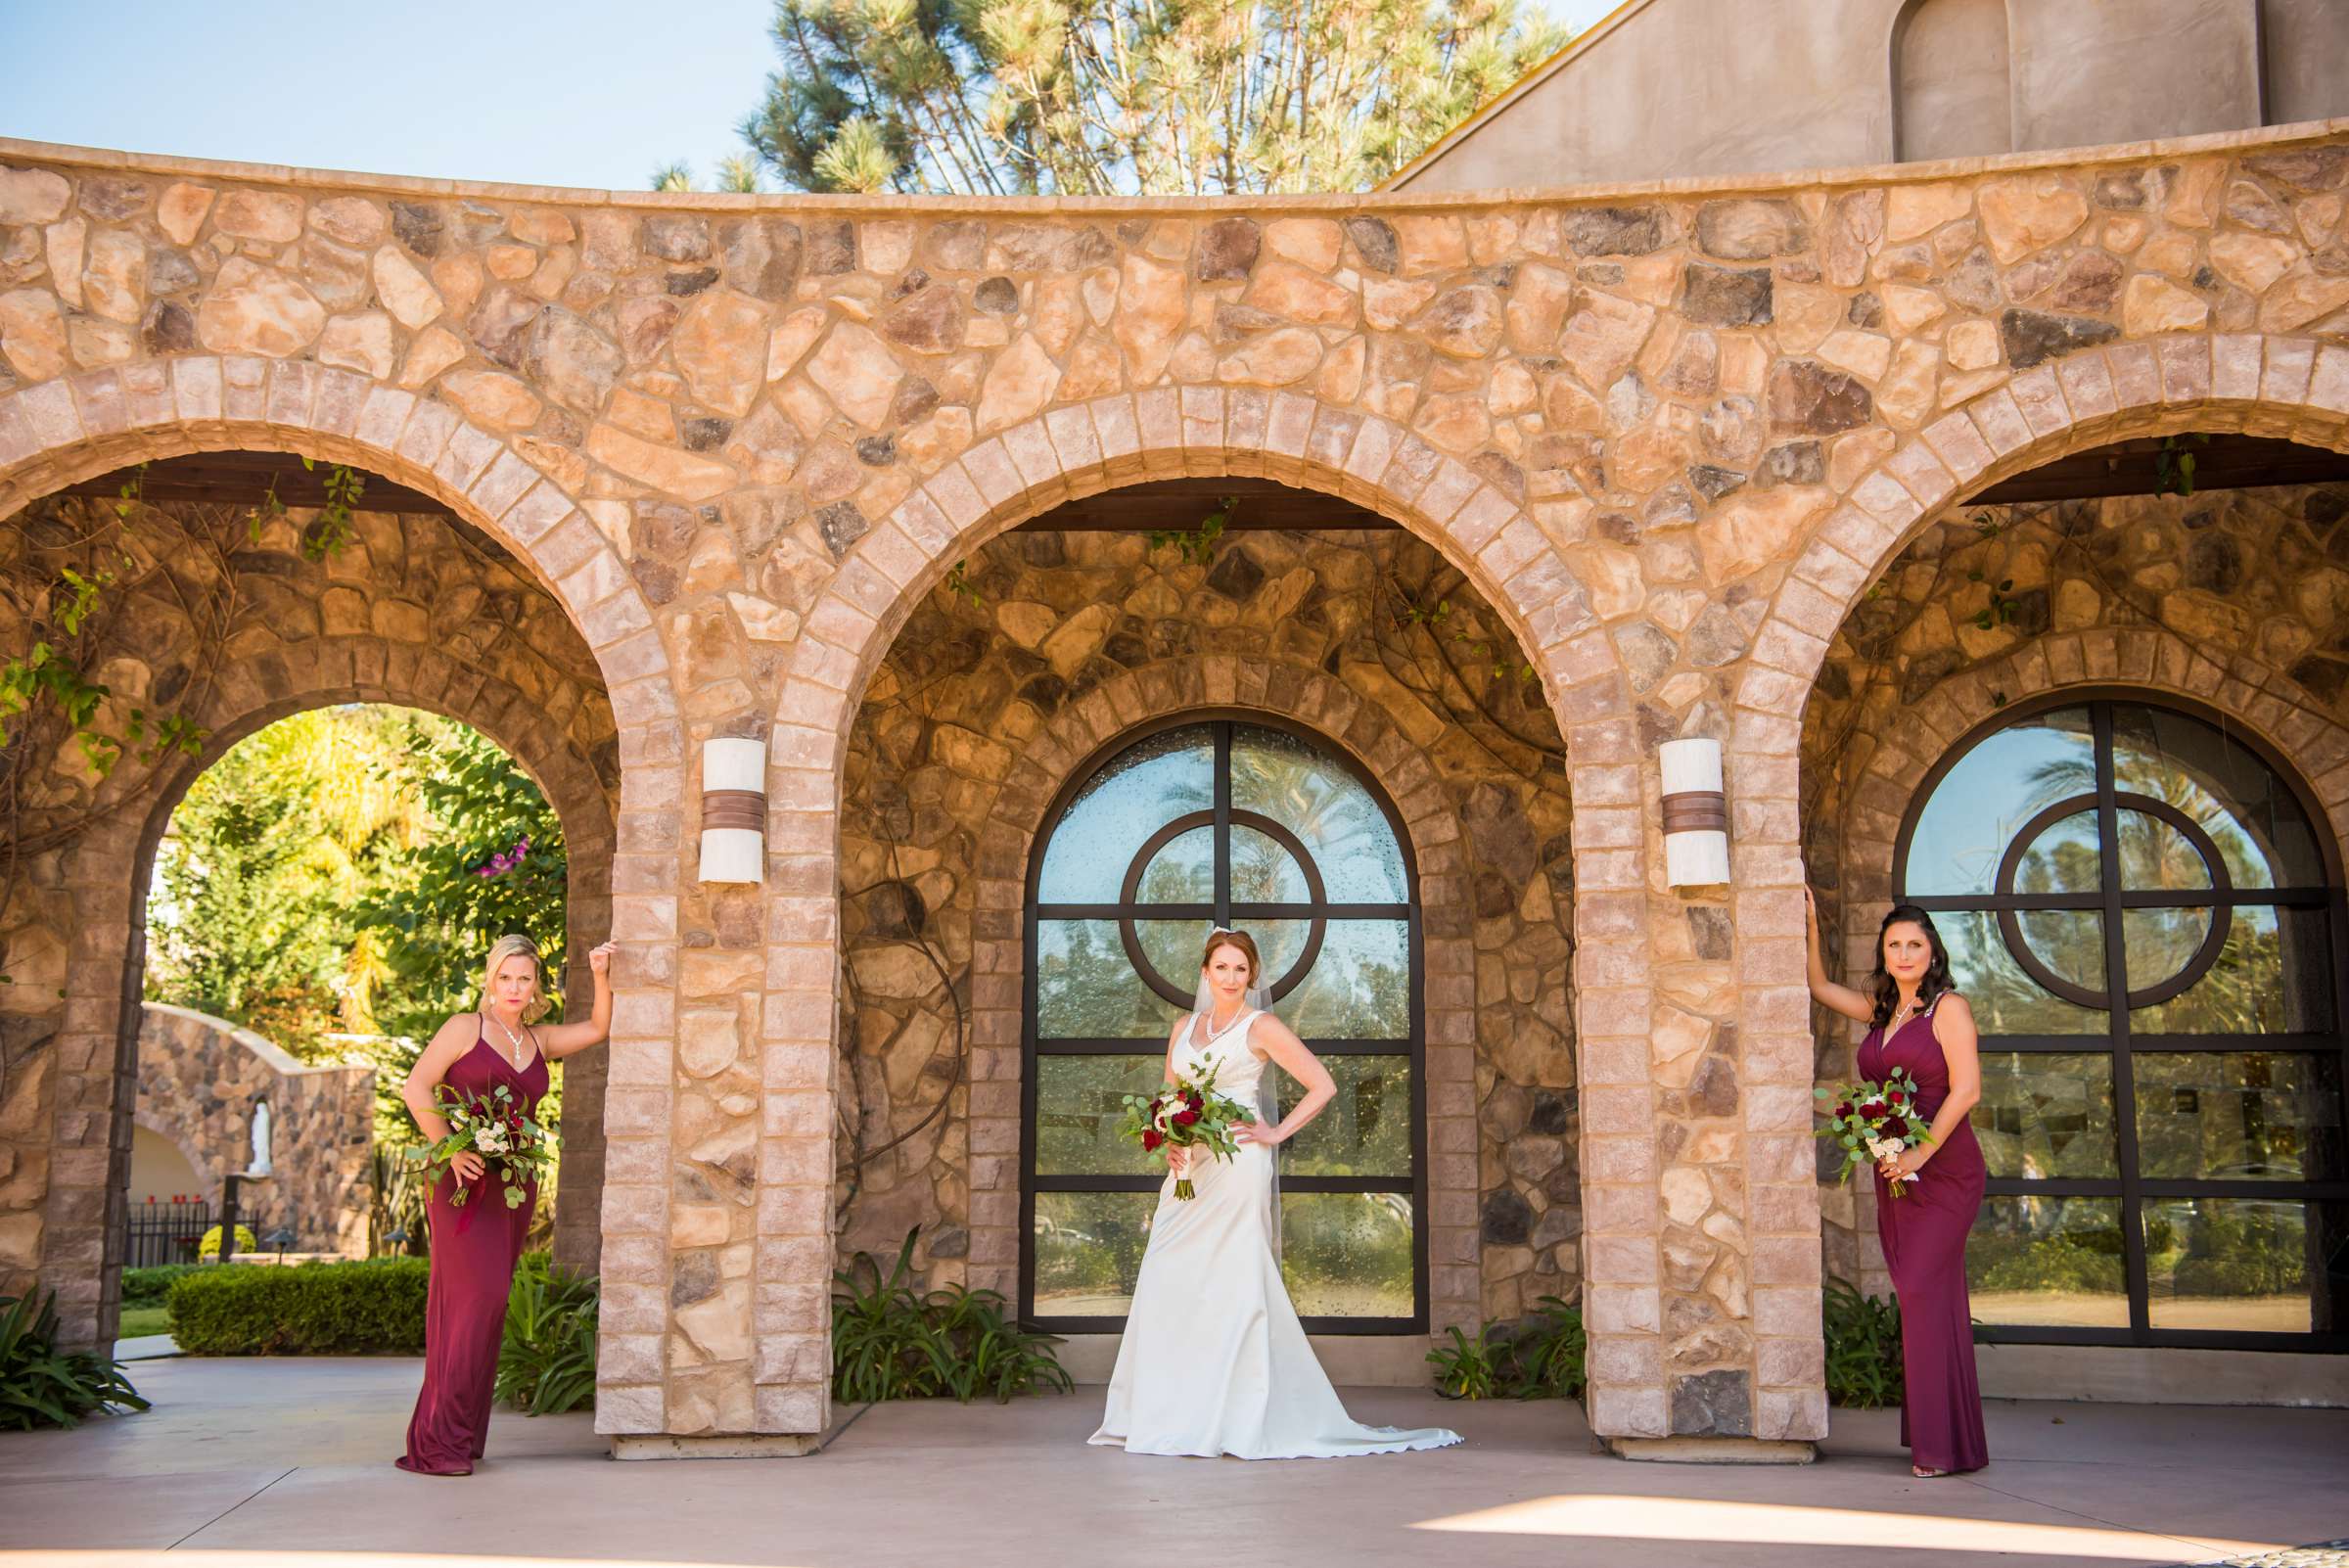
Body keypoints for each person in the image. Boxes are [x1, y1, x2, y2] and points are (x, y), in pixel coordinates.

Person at [1089, 927, 1460, 1459]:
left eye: (1241, 969)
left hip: (1239, 1163)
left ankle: (1234, 1417)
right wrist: (1168, 1143)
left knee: (1232, 1279)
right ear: (1204, 972)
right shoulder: (1184, 1026)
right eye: (1221, 967)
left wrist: (1274, 1133)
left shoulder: (1260, 1026)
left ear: (1252, 976)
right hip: (1191, 1165)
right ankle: (1169, 1410)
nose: (1231, 977)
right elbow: (1172, 1095)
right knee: (1169, 1272)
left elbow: (1323, 1084)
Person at [395, 933, 614, 1476]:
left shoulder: (538, 1042)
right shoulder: (464, 1028)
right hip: (461, 1182)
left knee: (489, 1308)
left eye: (524, 978)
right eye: (505, 977)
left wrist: (600, 975)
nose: (514, 987)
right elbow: (416, 1087)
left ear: (535, 985)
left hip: (513, 1185)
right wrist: (451, 1148)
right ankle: (436, 1442)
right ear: (490, 981)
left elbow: (598, 1029)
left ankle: (460, 1437)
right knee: (473, 1302)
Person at [1805, 890, 1988, 1477]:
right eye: (1894, 946)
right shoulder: (1886, 1013)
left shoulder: (1948, 1009)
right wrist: (1809, 922)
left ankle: (1940, 1449)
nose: (1904, 954)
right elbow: (1820, 988)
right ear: (1884, 956)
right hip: (1898, 1173)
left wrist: (1919, 1152)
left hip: (1945, 1169)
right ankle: (1953, 1441)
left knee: (1921, 1297)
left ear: (1932, 952)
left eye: (1914, 944)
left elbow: (1967, 1091)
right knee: (1930, 1301)